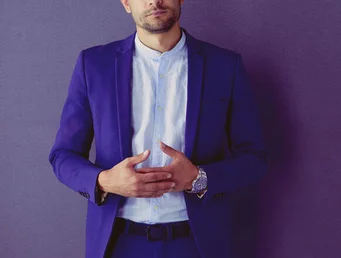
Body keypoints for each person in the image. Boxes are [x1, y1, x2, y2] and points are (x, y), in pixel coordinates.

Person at [48, 0, 267, 257]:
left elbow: (255, 157)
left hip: (197, 244)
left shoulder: (225, 66)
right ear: (126, 3)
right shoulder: (94, 65)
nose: (155, 1)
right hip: (117, 243)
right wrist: (105, 181)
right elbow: (62, 155)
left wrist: (199, 179)